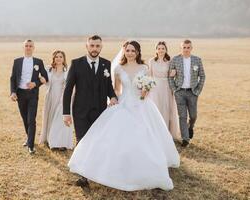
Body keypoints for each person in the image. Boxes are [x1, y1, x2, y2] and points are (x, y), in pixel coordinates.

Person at [68, 41, 180, 191]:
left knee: (145, 135)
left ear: (138, 52)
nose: (130, 53)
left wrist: (145, 90)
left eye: (133, 50)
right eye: (128, 50)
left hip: (142, 105)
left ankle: (145, 167)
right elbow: (116, 89)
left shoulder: (144, 68)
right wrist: (114, 99)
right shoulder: (118, 69)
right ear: (124, 51)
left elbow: (146, 89)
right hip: (124, 103)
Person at [63, 35, 118, 186]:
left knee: (97, 142)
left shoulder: (106, 64)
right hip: (80, 111)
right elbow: (68, 90)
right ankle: (83, 176)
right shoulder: (76, 63)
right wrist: (66, 113)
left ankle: (95, 171)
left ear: (101, 47)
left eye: (97, 46)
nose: (94, 49)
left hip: (100, 111)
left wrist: (113, 97)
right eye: (92, 46)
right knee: (82, 141)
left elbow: (109, 86)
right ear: (86, 46)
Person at [10, 39, 48, 154]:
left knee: (31, 119)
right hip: (20, 94)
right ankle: (29, 139)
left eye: (30, 46)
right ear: (23, 48)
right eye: (26, 46)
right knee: (25, 118)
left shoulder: (38, 62)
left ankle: (31, 146)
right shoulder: (17, 61)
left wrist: (35, 83)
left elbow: (45, 77)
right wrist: (13, 92)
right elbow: (13, 78)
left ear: (33, 48)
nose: (28, 47)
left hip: (32, 94)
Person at [168, 39, 206, 147]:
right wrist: (175, 89)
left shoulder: (197, 60)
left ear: (191, 48)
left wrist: (198, 90)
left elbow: (202, 76)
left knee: (193, 115)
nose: (186, 49)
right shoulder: (175, 60)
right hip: (180, 92)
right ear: (181, 48)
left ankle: (190, 127)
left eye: (188, 47)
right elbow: (170, 76)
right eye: (184, 47)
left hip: (192, 92)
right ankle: (185, 139)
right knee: (182, 116)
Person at [39, 50, 74, 150]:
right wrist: (41, 80)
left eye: (61, 57)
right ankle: (50, 139)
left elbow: (71, 86)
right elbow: (44, 81)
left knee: (60, 120)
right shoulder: (48, 70)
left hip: (62, 98)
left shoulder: (67, 72)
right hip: (50, 97)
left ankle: (60, 142)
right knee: (50, 118)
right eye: (56, 57)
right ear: (53, 59)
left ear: (64, 59)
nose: (58, 58)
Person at [148, 41, 180, 140]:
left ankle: (165, 133)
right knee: (156, 109)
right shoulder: (152, 61)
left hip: (166, 87)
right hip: (154, 88)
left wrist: (173, 73)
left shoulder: (169, 62)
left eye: (163, 48)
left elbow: (171, 75)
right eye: (159, 48)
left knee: (166, 108)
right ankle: (156, 132)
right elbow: (149, 76)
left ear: (166, 50)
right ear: (156, 50)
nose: (161, 50)